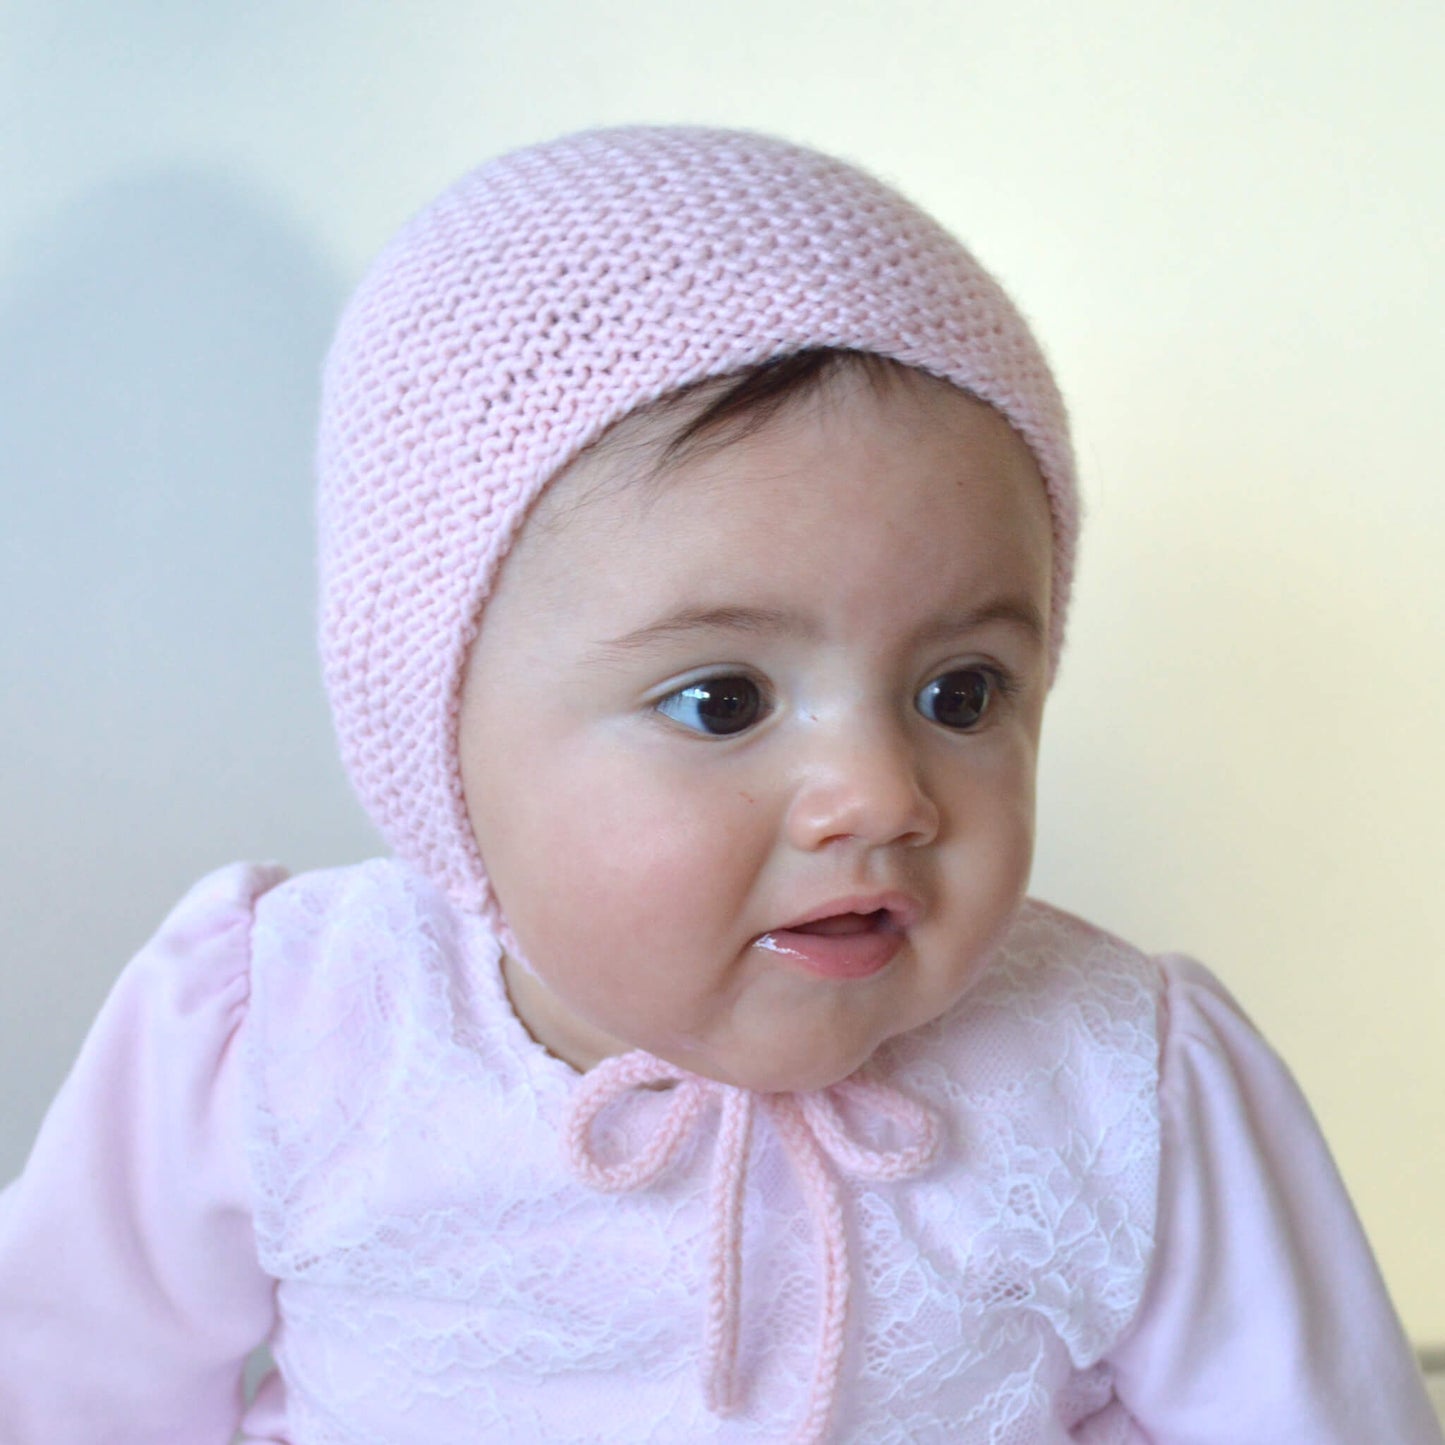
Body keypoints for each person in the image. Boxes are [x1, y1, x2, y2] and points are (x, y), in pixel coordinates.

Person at [0, 125, 1437, 1445]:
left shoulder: (1122, 1076)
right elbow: (68, 1397)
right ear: (435, 728)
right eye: (722, 700)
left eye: (961, 693)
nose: (877, 793)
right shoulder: (290, 1035)